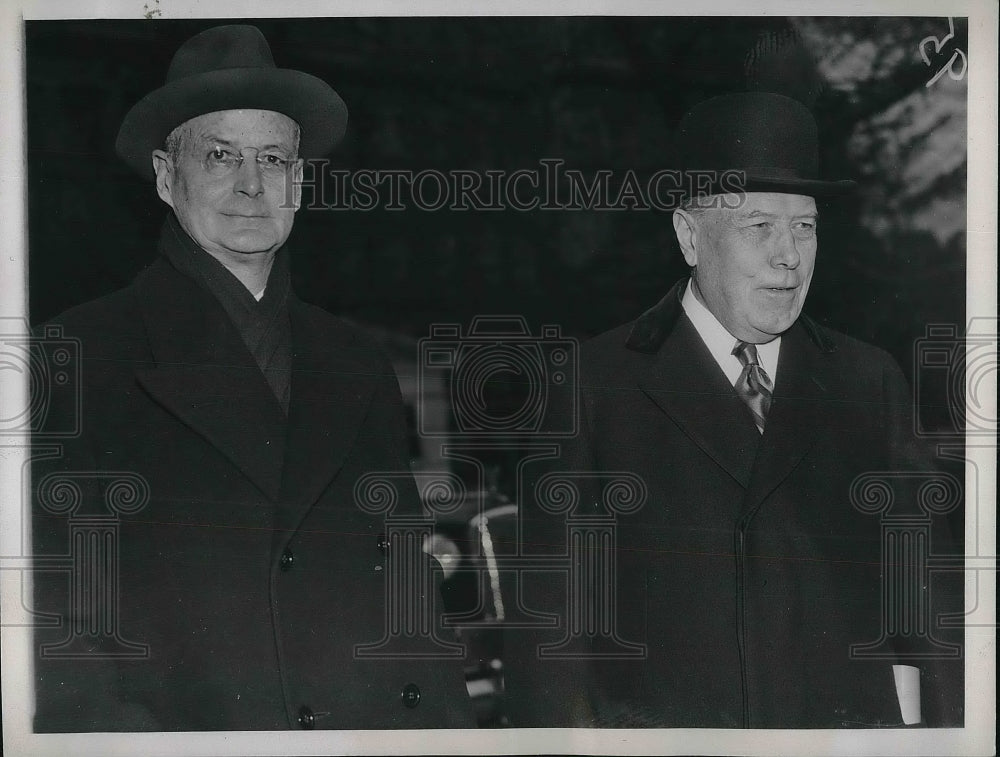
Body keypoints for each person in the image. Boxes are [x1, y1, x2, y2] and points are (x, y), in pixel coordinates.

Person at [31, 25, 472, 731]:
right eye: (219, 156)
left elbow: (408, 605)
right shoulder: (78, 357)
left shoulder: (354, 360)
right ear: (165, 176)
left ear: (298, 181)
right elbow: (57, 640)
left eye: (273, 158)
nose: (250, 184)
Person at [509, 91, 963, 729]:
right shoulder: (593, 387)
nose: (789, 255)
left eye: (804, 227)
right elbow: (548, 642)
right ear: (690, 236)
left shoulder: (869, 381)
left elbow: (934, 613)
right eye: (760, 227)